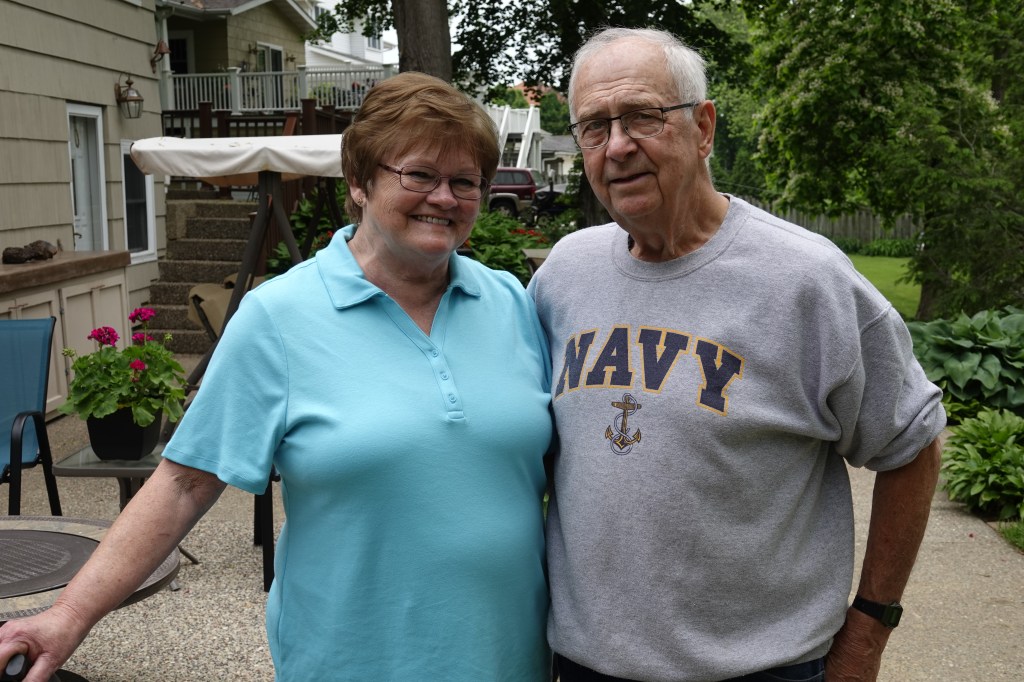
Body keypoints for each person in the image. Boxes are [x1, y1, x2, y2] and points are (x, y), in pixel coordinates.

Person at [0, 72, 554, 681]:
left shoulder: (511, 302)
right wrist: (68, 615)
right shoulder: (280, 316)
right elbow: (184, 483)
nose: (444, 198)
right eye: (419, 174)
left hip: (510, 659)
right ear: (359, 182)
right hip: (354, 663)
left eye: (465, 181)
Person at [527, 27, 945, 682]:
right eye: (594, 127)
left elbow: (912, 445)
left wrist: (868, 632)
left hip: (762, 669)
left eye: (641, 117)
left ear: (703, 128)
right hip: (586, 666)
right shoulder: (563, 277)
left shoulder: (806, 281)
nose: (618, 146)